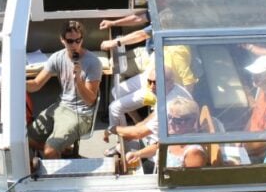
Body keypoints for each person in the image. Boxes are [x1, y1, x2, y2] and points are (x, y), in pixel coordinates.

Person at [26, 20, 102, 159]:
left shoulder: (93, 62)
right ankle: (63, 151)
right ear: (62, 40)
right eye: (70, 41)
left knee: (49, 151)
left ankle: (55, 159)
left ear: (82, 39)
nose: (74, 45)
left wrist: (78, 80)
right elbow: (37, 83)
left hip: (80, 113)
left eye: (78, 40)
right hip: (60, 106)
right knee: (25, 139)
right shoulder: (57, 57)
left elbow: (90, 100)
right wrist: (18, 82)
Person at [103, 66, 192, 158]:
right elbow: (154, 115)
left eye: (156, 83)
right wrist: (138, 126)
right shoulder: (167, 91)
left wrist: (112, 129)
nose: (151, 86)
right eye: (149, 82)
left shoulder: (170, 105)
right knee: (115, 107)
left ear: (170, 82)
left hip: (172, 146)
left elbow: (139, 133)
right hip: (165, 137)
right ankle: (122, 146)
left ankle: (133, 152)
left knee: (132, 157)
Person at [163, 97, 207, 168]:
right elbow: (156, 147)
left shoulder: (194, 152)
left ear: (192, 122)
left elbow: (192, 178)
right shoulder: (173, 137)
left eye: (177, 120)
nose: (170, 122)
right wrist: (138, 153)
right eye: (169, 117)